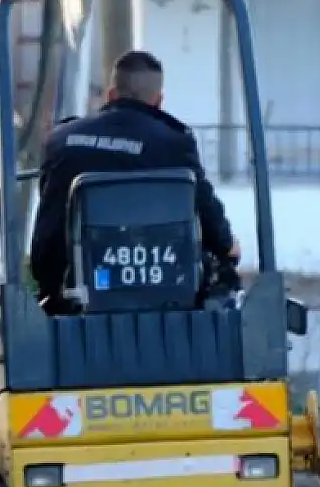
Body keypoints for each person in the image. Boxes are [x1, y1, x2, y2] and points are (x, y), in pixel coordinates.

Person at [30, 50, 239, 307]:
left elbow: (48, 221)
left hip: (71, 292)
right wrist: (227, 245)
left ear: (111, 95)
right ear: (158, 101)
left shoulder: (61, 139)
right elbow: (206, 210)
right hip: (159, 285)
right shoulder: (173, 143)